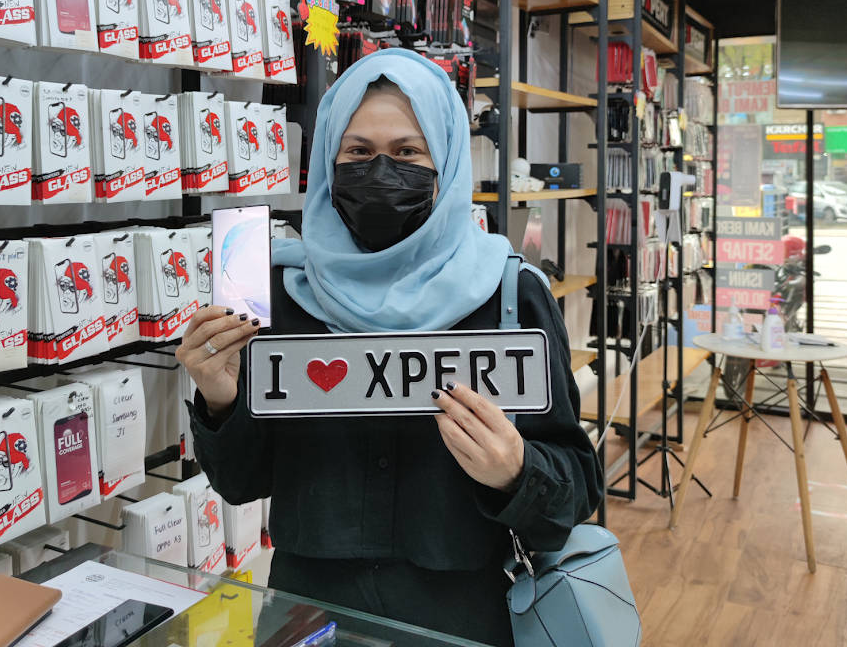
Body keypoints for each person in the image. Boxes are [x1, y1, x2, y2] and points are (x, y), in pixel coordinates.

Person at [178, 49, 603, 647]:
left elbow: (576, 490)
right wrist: (222, 402)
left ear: (446, 160)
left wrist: (516, 471)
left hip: (461, 621)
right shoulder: (276, 295)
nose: (380, 172)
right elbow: (243, 482)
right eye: (357, 153)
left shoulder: (510, 295)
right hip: (310, 616)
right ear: (328, 162)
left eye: (407, 153)